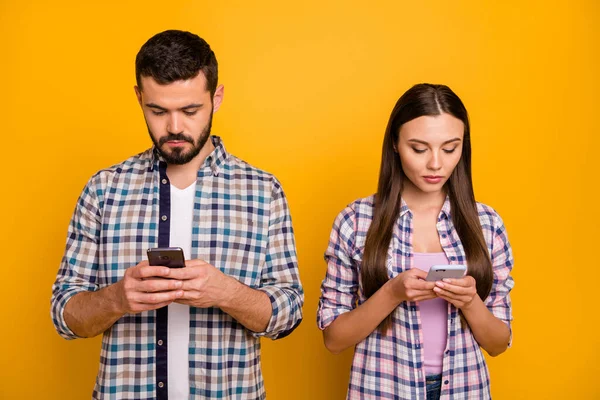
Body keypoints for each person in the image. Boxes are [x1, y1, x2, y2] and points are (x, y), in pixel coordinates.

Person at [51, 30, 303, 400]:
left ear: (216, 98)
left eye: (189, 110)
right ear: (139, 97)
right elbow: (64, 315)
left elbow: (289, 314)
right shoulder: (104, 189)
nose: (173, 127)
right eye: (157, 111)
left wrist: (226, 293)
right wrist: (119, 298)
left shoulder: (263, 192)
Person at [317, 83, 514, 399]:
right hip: (381, 389)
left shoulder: (487, 224)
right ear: (395, 144)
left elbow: (498, 343)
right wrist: (392, 292)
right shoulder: (355, 221)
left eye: (450, 148)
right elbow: (334, 340)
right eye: (419, 149)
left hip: (465, 389)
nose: (436, 164)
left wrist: (470, 301)